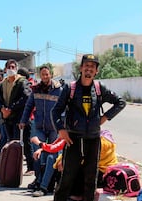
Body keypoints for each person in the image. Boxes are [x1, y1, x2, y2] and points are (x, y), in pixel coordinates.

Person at [51, 54, 126, 201]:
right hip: (73, 140)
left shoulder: (99, 88)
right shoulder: (70, 88)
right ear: (81, 68)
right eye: (86, 65)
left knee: (91, 179)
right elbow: (55, 111)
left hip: (93, 139)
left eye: (93, 67)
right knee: (67, 178)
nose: (89, 69)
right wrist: (61, 130)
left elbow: (120, 102)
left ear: (96, 71)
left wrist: (104, 118)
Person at [19, 65, 63, 196]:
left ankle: (47, 184)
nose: (45, 77)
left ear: (51, 74)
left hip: (54, 127)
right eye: (42, 74)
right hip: (39, 126)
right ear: (40, 75)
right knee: (37, 155)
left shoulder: (59, 90)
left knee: (52, 155)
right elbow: (29, 106)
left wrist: (63, 125)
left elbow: (64, 108)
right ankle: (38, 180)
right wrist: (23, 120)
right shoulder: (36, 89)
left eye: (47, 74)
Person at [0, 59, 31, 148]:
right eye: (9, 67)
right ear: (5, 69)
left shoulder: (22, 82)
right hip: (7, 119)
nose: (11, 69)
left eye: (13, 67)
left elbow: (26, 98)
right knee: (11, 143)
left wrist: (11, 108)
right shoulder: (1, 85)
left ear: (16, 69)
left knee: (23, 145)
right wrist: (2, 109)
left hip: (19, 118)